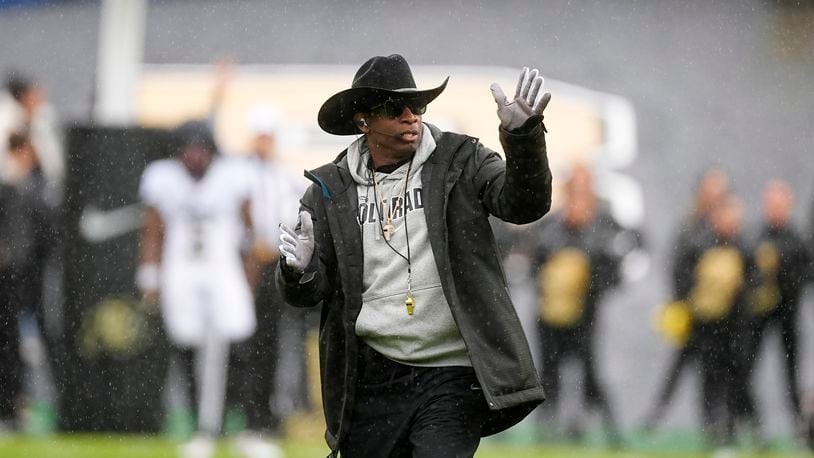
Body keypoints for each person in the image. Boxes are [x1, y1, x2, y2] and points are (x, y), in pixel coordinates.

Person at [275, 54, 552, 457]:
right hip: (371, 376)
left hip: (451, 373)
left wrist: (524, 137)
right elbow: (308, 293)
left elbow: (524, 205)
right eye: (394, 107)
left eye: (417, 106)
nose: (410, 116)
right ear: (363, 120)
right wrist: (297, 270)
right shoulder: (328, 190)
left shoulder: (463, 159)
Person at [137, 120, 257, 458]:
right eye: (188, 151)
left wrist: (250, 277)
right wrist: (150, 276)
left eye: (200, 151)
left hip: (222, 268)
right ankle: (199, 426)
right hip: (181, 270)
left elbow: (249, 231)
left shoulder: (233, 176)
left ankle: (240, 424)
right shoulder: (163, 178)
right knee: (186, 346)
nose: (194, 158)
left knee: (239, 342)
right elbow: (152, 230)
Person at [531, 166, 622, 444]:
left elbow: (614, 266)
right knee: (549, 372)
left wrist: (595, 284)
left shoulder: (602, 227)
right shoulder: (551, 227)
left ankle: (605, 430)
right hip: (550, 316)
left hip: (585, 316)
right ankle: (548, 428)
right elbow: (536, 264)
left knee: (590, 373)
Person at [644, 167, 730, 428]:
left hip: (721, 315)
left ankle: (715, 422)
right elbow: (678, 265)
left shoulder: (726, 226)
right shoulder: (691, 226)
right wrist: (684, 299)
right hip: (694, 312)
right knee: (682, 365)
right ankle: (657, 416)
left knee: (715, 371)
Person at [684, 194, 755, 446]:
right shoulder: (701, 245)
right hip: (707, 325)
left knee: (738, 379)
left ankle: (737, 428)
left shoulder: (745, 248)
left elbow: (755, 284)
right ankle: (711, 427)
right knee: (709, 377)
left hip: (736, 327)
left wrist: (742, 292)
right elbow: (685, 278)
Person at [745, 180, 812, 431]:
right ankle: (752, 427)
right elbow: (747, 275)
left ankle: (800, 428)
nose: (775, 208)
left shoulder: (798, 240)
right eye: (771, 203)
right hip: (758, 317)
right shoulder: (756, 238)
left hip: (788, 315)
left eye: (780, 203)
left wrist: (783, 274)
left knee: (791, 376)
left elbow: (805, 275)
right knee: (744, 370)